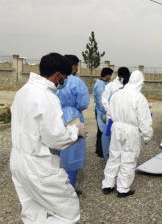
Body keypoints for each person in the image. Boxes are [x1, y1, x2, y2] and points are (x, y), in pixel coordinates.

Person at [10, 52, 87, 224]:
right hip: (39, 165)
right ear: (58, 75)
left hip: (18, 160)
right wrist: (75, 131)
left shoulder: (24, 91)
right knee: (68, 212)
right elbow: (56, 139)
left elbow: (33, 126)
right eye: (65, 76)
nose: (65, 81)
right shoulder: (46, 97)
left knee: (33, 211)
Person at [102, 70, 153, 197]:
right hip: (131, 130)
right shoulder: (139, 97)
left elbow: (110, 112)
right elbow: (144, 119)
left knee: (114, 156)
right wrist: (147, 135)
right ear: (140, 82)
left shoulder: (116, 94)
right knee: (128, 158)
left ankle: (108, 184)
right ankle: (123, 189)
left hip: (116, 127)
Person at [56, 54, 90, 194]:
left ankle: (56, 186)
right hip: (73, 116)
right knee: (72, 152)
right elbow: (83, 103)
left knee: (57, 150)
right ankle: (69, 187)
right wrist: (74, 109)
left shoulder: (55, 79)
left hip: (57, 115)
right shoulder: (77, 82)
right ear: (73, 66)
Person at [101, 67, 131, 159]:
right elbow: (104, 100)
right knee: (110, 139)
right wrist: (110, 112)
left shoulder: (128, 85)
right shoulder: (111, 85)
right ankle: (109, 157)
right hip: (112, 117)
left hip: (123, 118)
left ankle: (120, 157)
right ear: (119, 76)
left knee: (121, 140)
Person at [93, 68, 113, 158]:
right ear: (107, 75)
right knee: (102, 131)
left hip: (103, 111)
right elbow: (101, 102)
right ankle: (101, 151)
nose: (111, 77)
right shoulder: (100, 85)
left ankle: (100, 150)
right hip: (101, 111)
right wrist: (107, 111)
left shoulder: (104, 83)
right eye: (110, 75)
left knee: (102, 130)